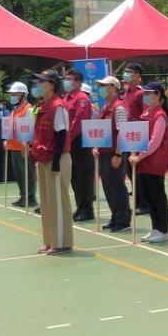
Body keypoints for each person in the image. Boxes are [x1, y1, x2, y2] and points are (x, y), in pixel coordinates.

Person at [30, 70, 73, 255]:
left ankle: (61, 242)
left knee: (57, 201)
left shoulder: (58, 105)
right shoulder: (42, 104)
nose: (39, 84)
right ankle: (49, 240)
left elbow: (61, 135)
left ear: (53, 84)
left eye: (43, 81)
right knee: (47, 202)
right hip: (44, 158)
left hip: (57, 158)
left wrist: (55, 163)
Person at [129, 81, 168, 243]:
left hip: (154, 162)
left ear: (158, 96)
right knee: (148, 196)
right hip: (143, 162)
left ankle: (163, 229)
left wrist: (139, 156)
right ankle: (155, 228)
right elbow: (138, 136)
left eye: (149, 93)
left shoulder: (159, 115)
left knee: (157, 196)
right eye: (144, 93)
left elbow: (155, 141)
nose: (145, 96)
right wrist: (133, 152)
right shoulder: (146, 113)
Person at [92, 76, 131, 233]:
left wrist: (118, 154)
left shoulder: (119, 108)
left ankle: (123, 220)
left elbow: (123, 132)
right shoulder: (104, 107)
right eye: (101, 85)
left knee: (117, 187)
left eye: (104, 85)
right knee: (108, 187)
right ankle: (115, 217)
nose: (101, 88)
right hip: (104, 153)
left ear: (114, 88)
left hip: (114, 154)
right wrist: (96, 146)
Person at [62, 69, 95, 222]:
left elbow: (78, 121)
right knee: (74, 176)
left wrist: (67, 138)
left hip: (79, 141)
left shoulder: (81, 98)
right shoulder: (66, 98)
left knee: (83, 176)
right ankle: (80, 207)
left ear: (78, 82)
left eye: (69, 79)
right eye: (65, 79)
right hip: (70, 141)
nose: (66, 82)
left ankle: (87, 209)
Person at [122, 63, 148, 216]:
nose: (126, 74)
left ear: (138, 76)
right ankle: (139, 201)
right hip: (127, 133)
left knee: (137, 169)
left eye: (130, 72)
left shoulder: (140, 93)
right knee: (129, 168)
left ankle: (143, 203)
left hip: (138, 133)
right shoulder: (127, 92)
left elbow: (145, 115)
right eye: (126, 71)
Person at [5, 82, 38, 208]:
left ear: (23, 94)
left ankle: (30, 198)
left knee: (28, 173)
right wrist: (6, 140)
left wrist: (28, 145)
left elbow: (31, 128)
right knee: (19, 174)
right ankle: (23, 196)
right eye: (11, 94)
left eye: (15, 94)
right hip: (14, 146)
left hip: (24, 147)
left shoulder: (28, 109)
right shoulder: (15, 109)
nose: (12, 96)